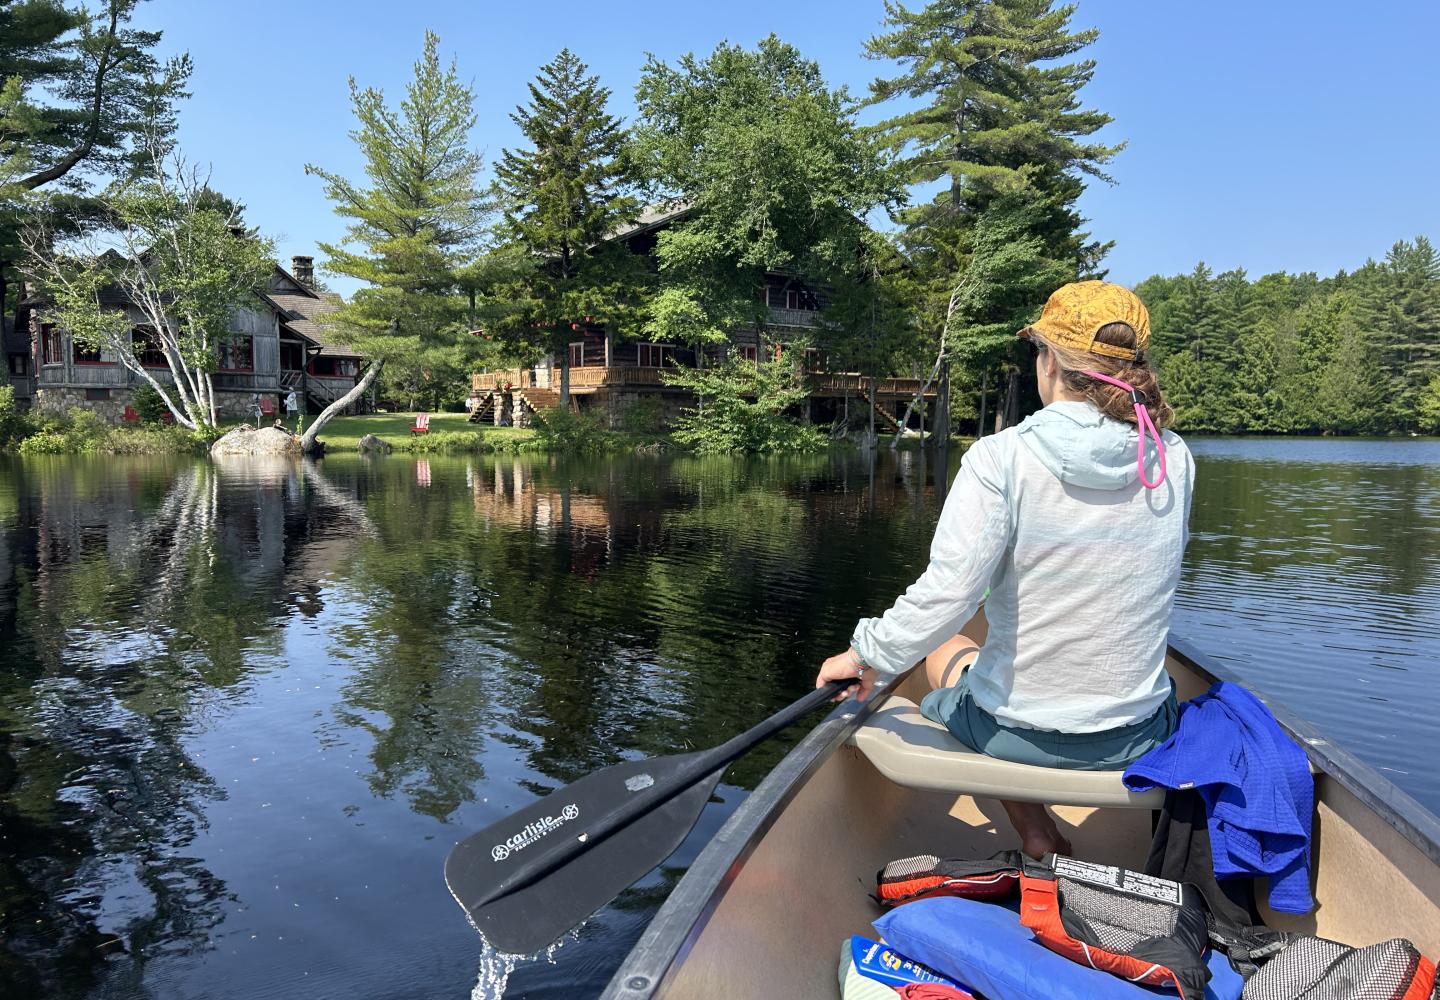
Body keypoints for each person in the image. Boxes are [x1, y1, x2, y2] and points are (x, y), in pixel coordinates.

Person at [814, 281, 1195, 859]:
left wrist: (863, 656)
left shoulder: (1000, 457)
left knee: (944, 651)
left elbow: (948, 596)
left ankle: (1034, 830)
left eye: (1037, 352)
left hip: (1017, 736)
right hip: (1138, 737)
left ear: (1049, 362)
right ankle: (1042, 823)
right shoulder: (1172, 455)